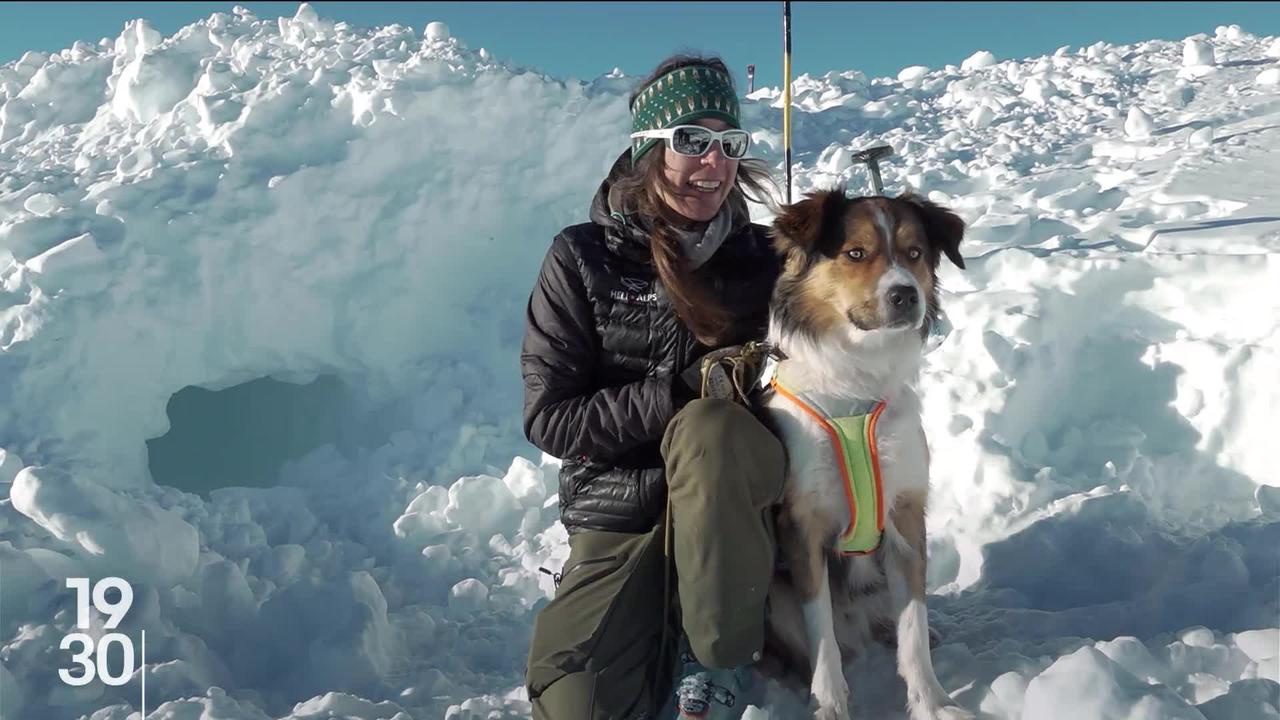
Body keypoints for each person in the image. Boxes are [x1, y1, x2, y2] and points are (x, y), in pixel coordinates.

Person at [521, 54, 787, 720]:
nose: (714, 163)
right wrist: (676, 392)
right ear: (646, 150)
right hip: (622, 513)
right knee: (575, 704)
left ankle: (718, 655)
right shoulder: (582, 257)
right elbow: (551, 419)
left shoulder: (767, 258)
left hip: (738, 506)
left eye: (730, 145)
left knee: (713, 429)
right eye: (691, 141)